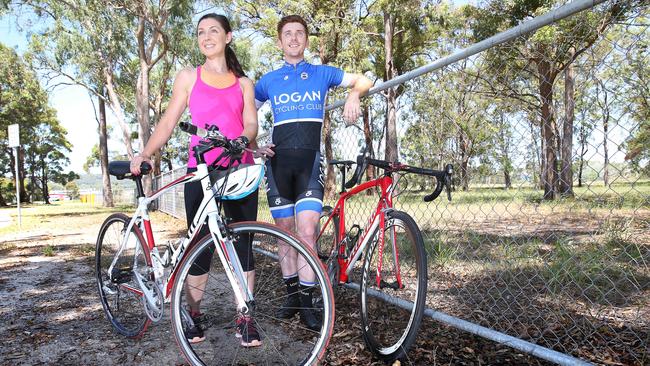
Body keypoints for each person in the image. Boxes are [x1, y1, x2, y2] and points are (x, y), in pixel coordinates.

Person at [130, 13, 262, 347]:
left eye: (213, 31)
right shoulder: (189, 77)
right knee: (199, 248)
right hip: (200, 173)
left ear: (228, 37)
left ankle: (245, 317)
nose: (206, 36)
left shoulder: (243, 82)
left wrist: (244, 142)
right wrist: (145, 153)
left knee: (242, 246)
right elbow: (169, 120)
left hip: (239, 169)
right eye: (201, 32)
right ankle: (194, 314)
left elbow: (250, 124)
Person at [254, 15, 372, 330]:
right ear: (279, 42)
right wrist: (253, 143)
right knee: (284, 236)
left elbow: (365, 78)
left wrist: (353, 93)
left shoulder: (321, 73)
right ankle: (291, 296)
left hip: (309, 164)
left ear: (306, 40)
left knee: (307, 234)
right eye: (287, 34)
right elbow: (244, 112)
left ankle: (307, 304)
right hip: (277, 165)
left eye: (299, 33)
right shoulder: (268, 80)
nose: (293, 38)